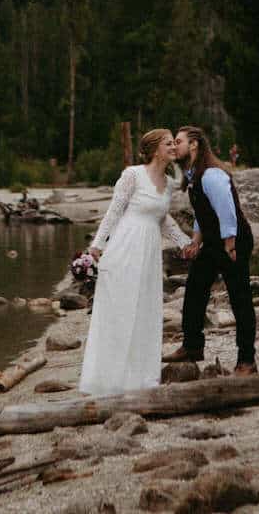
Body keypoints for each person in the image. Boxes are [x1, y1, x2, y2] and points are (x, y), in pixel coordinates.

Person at [77, 128, 192, 395]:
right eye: (168, 143)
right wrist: (96, 246)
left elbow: (162, 219)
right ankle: (108, 379)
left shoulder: (168, 182)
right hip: (126, 248)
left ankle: (139, 378)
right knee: (121, 310)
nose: (174, 147)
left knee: (145, 310)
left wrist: (185, 242)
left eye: (174, 143)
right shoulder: (133, 175)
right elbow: (114, 211)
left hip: (150, 253)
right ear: (154, 150)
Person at [163, 125, 257, 375]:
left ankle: (247, 360)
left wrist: (229, 242)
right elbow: (203, 214)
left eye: (179, 141)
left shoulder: (211, 175)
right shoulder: (194, 175)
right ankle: (192, 346)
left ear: (194, 145)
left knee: (240, 298)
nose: (175, 146)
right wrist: (195, 241)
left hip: (233, 241)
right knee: (194, 289)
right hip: (214, 243)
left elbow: (226, 208)